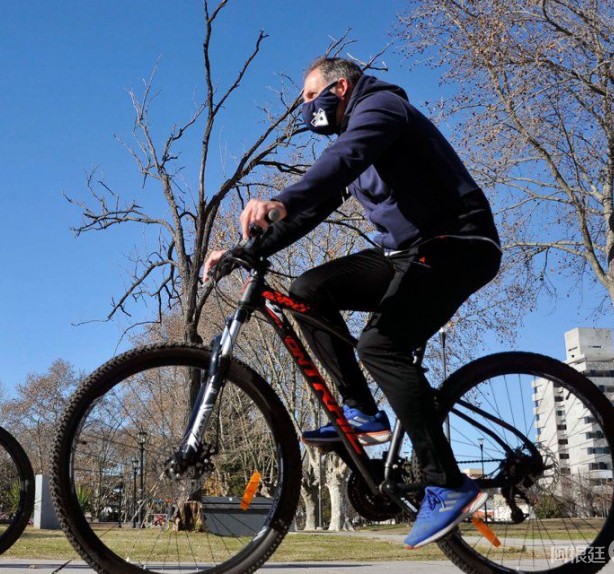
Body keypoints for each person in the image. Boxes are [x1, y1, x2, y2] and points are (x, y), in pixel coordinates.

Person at [202, 57, 502, 549]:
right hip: (409, 252)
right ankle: (362, 413)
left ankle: (446, 481)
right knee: (308, 290)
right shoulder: (353, 142)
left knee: (380, 346)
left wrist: (280, 197)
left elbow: (347, 156)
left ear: (340, 87)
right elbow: (315, 206)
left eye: (307, 97)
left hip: (458, 243)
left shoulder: (382, 107)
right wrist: (246, 250)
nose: (305, 109)